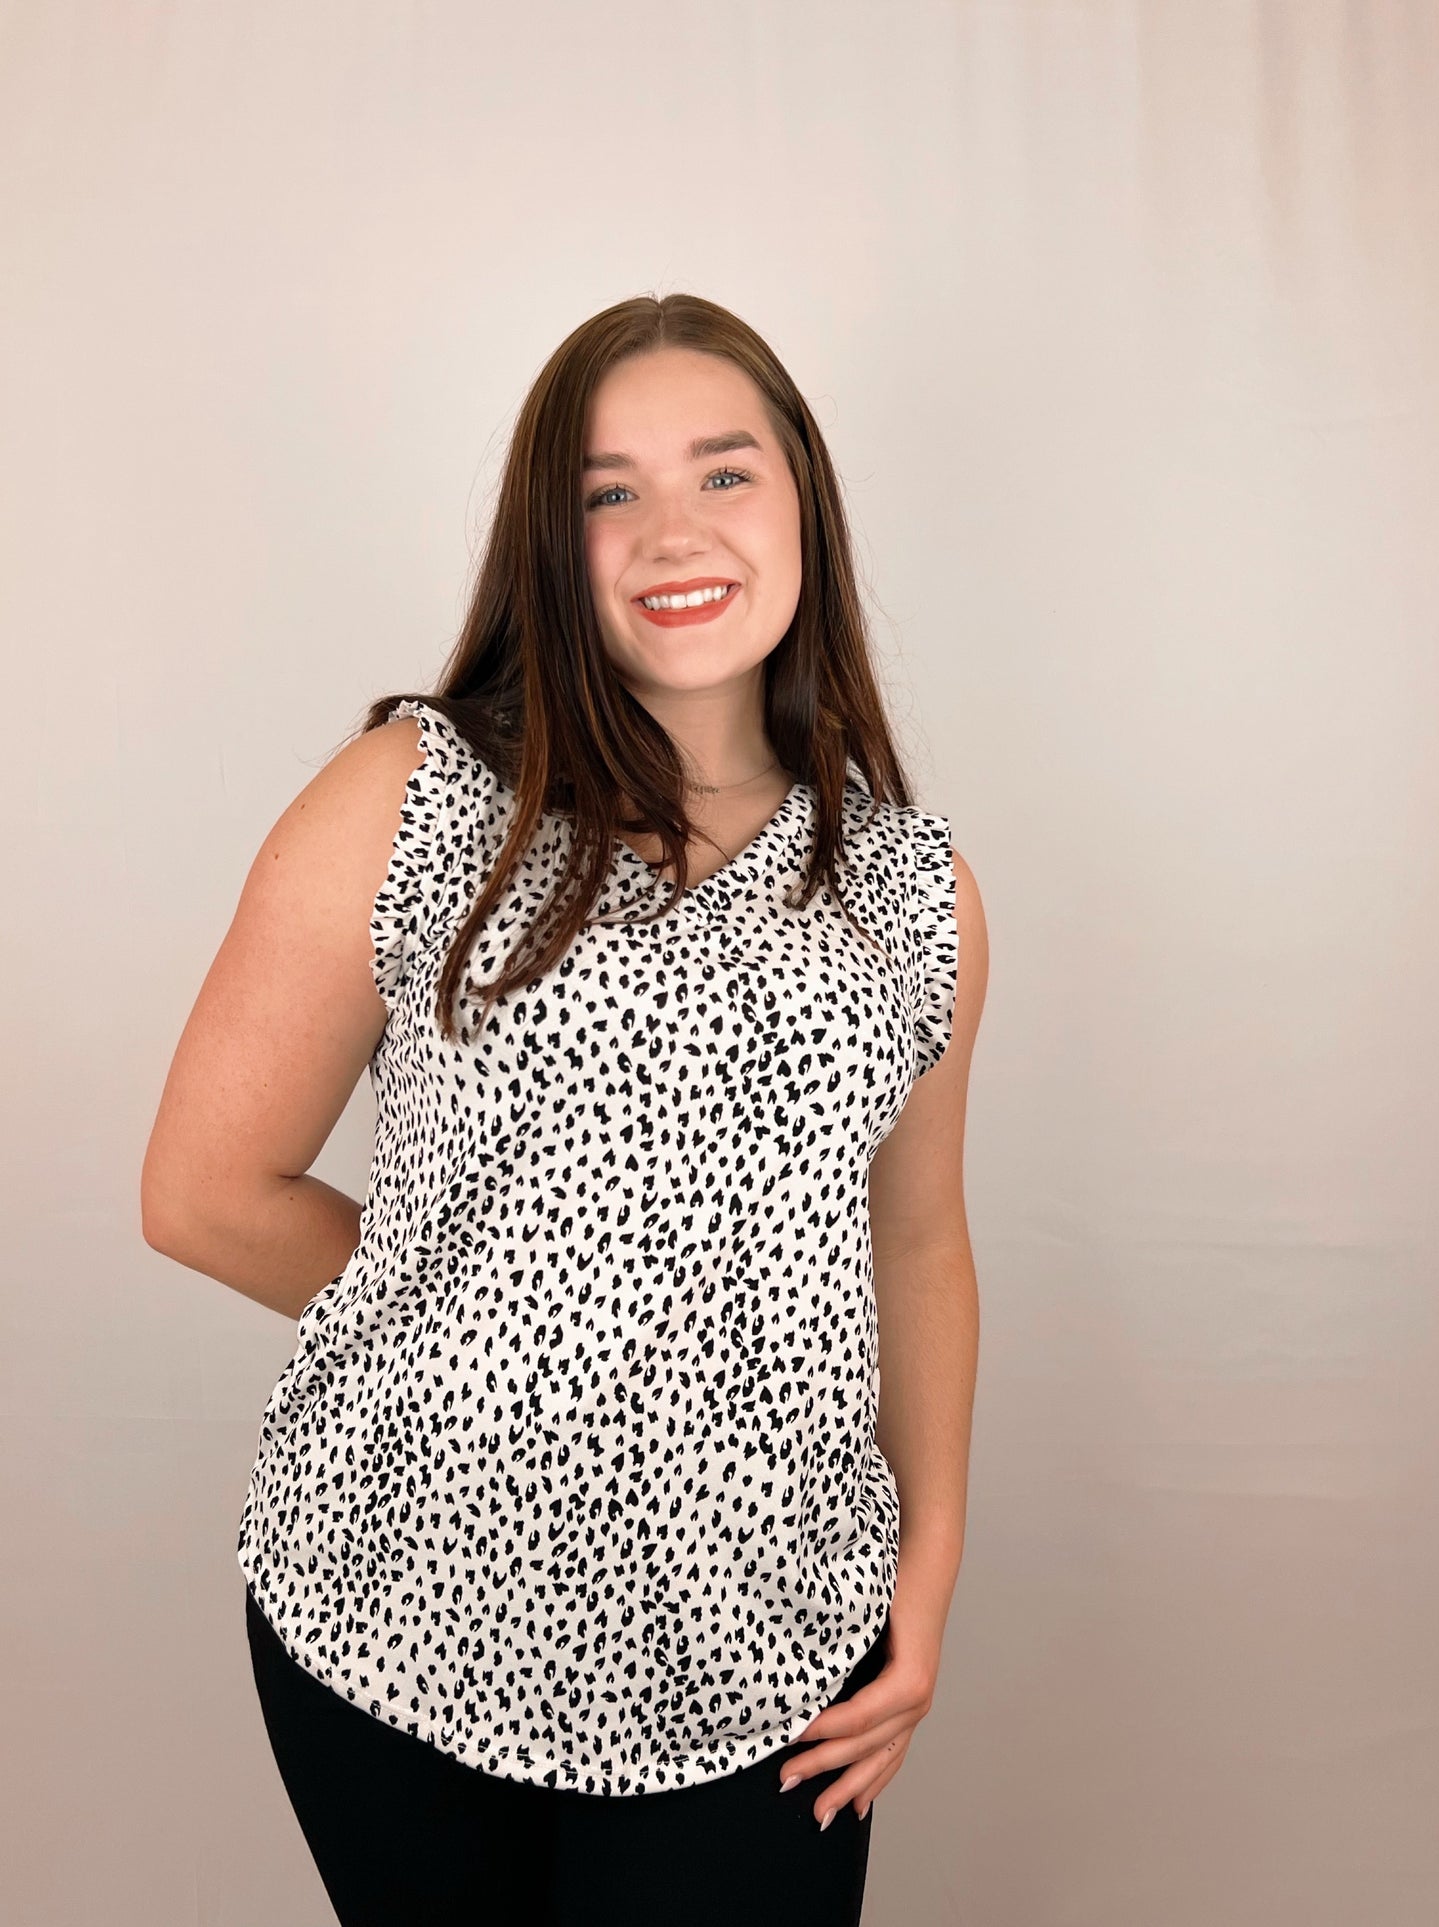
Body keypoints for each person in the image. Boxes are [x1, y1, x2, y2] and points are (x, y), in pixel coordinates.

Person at [141, 291, 988, 1926]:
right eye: (608, 492)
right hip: (401, 1611)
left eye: (723, 474)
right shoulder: (414, 795)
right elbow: (204, 1192)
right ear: (553, 539)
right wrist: (507, 1333)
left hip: (770, 1639)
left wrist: (926, 1578)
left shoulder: (910, 891)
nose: (671, 529)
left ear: (802, 500)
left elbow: (920, 1242)